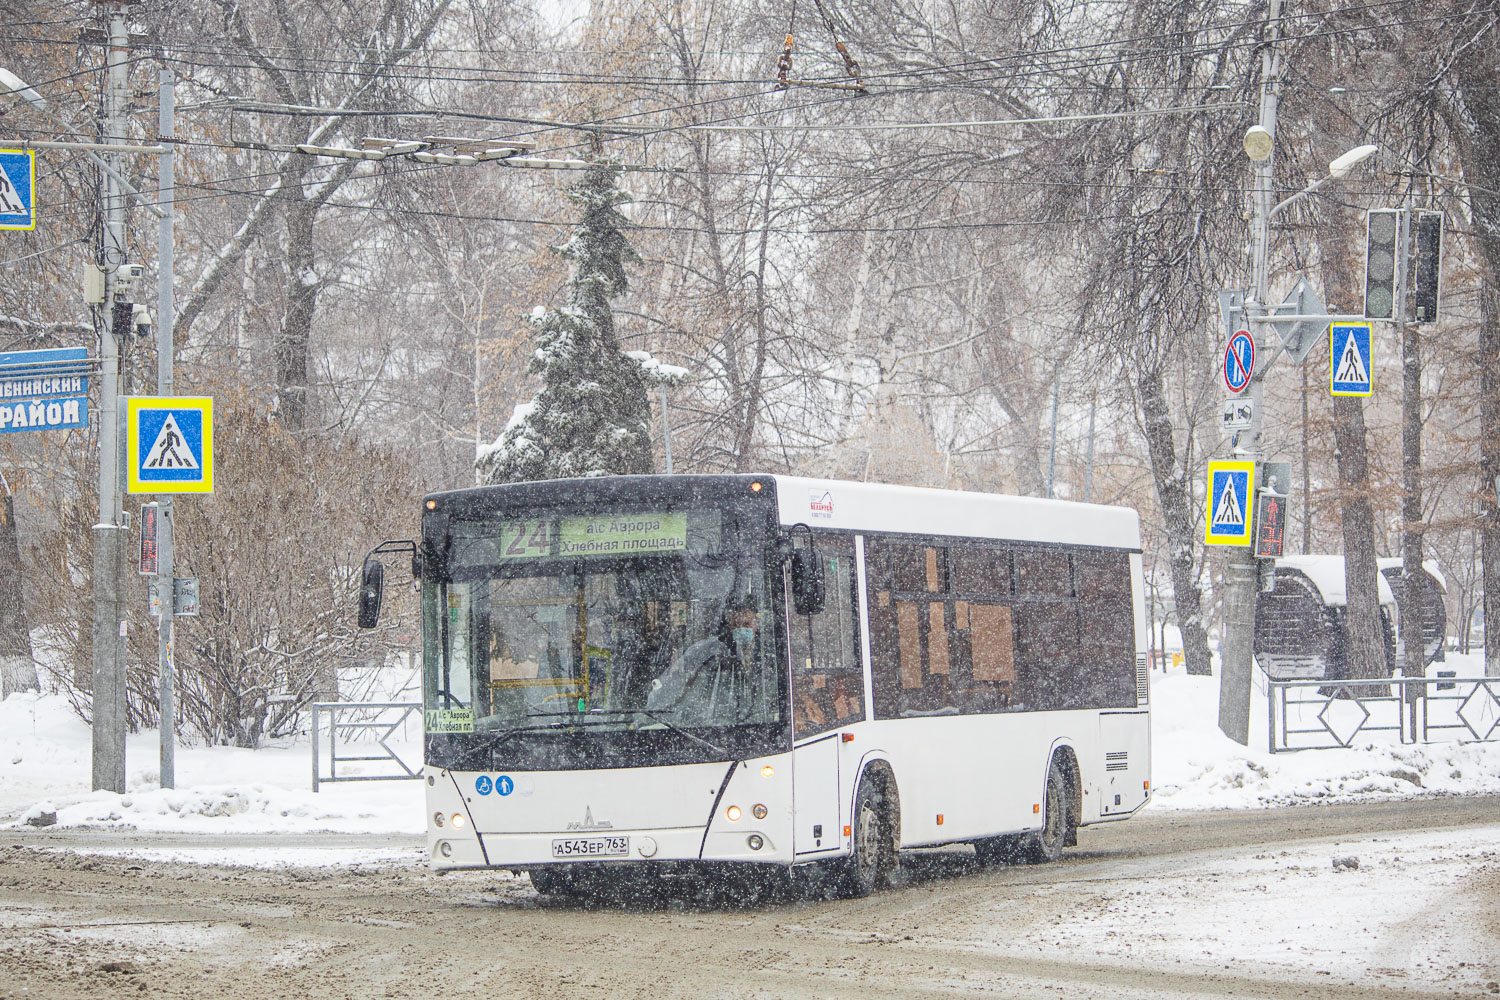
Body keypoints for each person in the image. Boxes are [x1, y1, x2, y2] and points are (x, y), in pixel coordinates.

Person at [646, 599, 761, 722]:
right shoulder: (707, 651)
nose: (741, 629)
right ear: (729, 627)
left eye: (746, 624)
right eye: (736, 625)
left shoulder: (769, 654)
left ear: (756, 624)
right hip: (709, 725)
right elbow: (670, 689)